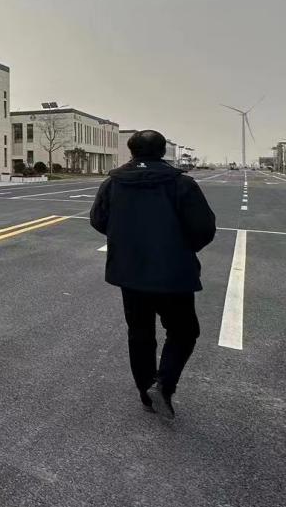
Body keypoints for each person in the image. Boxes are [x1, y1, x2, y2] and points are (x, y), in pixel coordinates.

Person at [89, 130, 217, 418]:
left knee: (140, 333)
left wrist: (125, 240)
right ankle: (164, 384)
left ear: (132, 151)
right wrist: (182, 248)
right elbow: (203, 228)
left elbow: (98, 220)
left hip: (129, 271)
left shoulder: (114, 183)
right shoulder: (181, 184)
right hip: (173, 272)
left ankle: (146, 393)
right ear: (162, 152)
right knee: (184, 331)